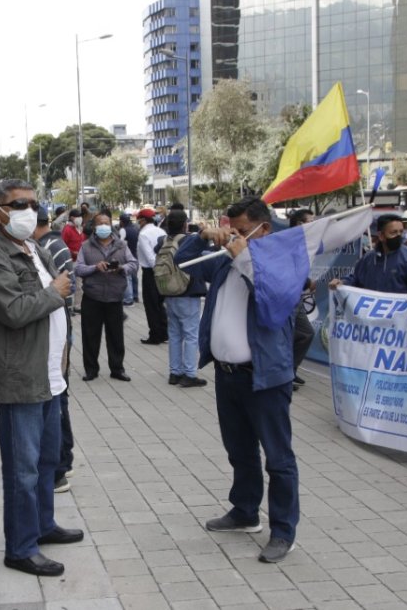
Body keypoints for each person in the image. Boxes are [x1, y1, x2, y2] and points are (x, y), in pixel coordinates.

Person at [175, 196, 299, 564]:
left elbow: (274, 296)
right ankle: (245, 511)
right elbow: (183, 264)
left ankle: (283, 531)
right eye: (232, 230)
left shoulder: (280, 261)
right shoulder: (226, 261)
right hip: (228, 376)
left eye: (242, 231)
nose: (235, 237)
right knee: (239, 451)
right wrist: (202, 237)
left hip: (264, 378)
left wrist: (243, 255)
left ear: (264, 228)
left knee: (277, 458)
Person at [0, 179, 80, 577]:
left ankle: (42, 526)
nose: (29, 210)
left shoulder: (30, 246)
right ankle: (20, 547)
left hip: (50, 373)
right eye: (19, 204)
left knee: (48, 460)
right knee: (23, 469)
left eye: (34, 203)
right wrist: (56, 291)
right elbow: (14, 310)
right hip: (20, 377)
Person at [35, 206, 76, 493]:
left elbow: (64, 292)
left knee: (59, 402)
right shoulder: (39, 247)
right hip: (50, 336)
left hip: (57, 336)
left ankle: (60, 466)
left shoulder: (51, 247)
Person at [74, 212, 137, 383]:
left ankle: (117, 369)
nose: (103, 226)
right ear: (94, 227)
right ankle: (91, 370)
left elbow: (134, 264)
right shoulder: (86, 246)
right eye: (100, 223)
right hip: (92, 297)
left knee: (116, 336)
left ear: (111, 225)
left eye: (106, 223)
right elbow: (78, 268)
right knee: (90, 336)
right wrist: (95, 267)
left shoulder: (122, 245)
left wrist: (122, 268)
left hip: (115, 297)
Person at [158, 208, 208, 388]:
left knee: (175, 334)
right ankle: (190, 374)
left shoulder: (163, 241)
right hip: (187, 292)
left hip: (169, 292)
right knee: (191, 334)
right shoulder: (188, 240)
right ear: (185, 223)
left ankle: (175, 372)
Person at [330, 214, 407, 293]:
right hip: (371, 317)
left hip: (400, 318)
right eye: (393, 233)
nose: (398, 236)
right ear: (381, 236)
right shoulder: (368, 259)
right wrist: (342, 283)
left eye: (401, 232)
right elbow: (355, 279)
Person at [286, 210, 315, 389]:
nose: (313, 224)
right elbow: (290, 268)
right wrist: (307, 282)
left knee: (306, 333)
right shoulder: (288, 242)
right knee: (286, 336)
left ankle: (291, 371)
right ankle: (285, 377)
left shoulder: (303, 242)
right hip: (287, 297)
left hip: (296, 296)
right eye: (309, 221)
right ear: (298, 223)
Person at [137, 207, 169, 344]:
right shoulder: (160, 231)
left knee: (151, 304)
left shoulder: (144, 234)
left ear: (143, 220)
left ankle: (155, 335)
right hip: (164, 270)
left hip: (151, 273)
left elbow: (150, 257)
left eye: (139, 221)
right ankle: (164, 332)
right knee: (160, 303)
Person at [118, 211, 140, 305]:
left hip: (127, 257)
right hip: (135, 255)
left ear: (122, 222)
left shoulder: (123, 230)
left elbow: (120, 243)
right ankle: (135, 296)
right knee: (134, 277)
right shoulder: (135, 228)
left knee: (128, 278)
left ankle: (128, 299)